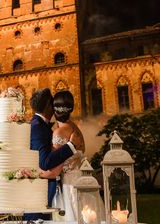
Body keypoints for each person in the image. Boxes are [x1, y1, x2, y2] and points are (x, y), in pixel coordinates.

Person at [28, 88, 76, 218]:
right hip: (41, 193)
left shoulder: (41, 125)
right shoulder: (37, 126)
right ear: (48, 106)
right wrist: (70, 147)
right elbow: (45, 162)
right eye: (53, 104)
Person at [46, 90, 89, 222]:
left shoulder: (58, 133)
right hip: (82, 179)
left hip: (68, 184)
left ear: (54, 110)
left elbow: (55, 166)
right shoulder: (76, 128)